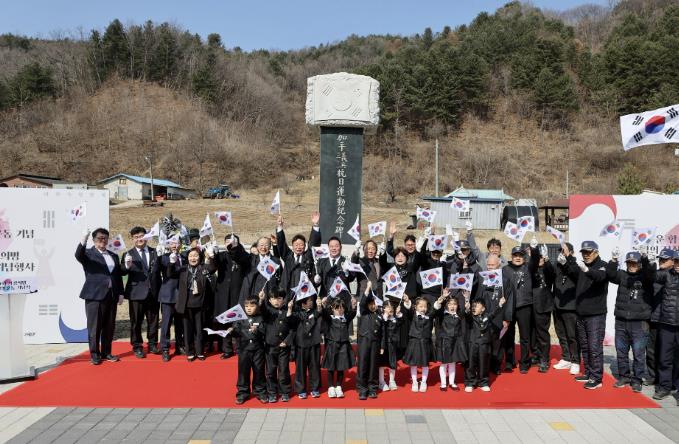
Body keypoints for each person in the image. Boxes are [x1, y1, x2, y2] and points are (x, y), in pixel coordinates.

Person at [75, 228, 124, 365]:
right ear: (94, 239)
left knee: (109, 327)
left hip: (111, 295)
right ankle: (95, 354)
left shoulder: (113, 255)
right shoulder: (88, 253)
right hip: (94, 295)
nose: (103, 240)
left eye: (105, 238)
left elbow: (117, 275)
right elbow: (78, 255)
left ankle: (106, 352)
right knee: (95, 327)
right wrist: (83, 239)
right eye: (100, 238)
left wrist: (121, 292)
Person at [607, 249, 653, 392]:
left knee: (638, 354)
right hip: (621, 321)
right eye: (629, 263)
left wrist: (645, 259)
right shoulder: (622, 275)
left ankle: (637, 380)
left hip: (640, 323)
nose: (631, 265)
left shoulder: (645, 276)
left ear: (639, 264)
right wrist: (614, 260)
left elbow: (651, 274)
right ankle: (624, 376)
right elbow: (610, 274)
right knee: (621, 351)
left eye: (634, 263)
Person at [570, 240, 609, 390]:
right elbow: (571, 272)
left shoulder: (603, 265)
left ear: (596, 252)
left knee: (594, 347)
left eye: (589, 252)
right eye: (584, 252)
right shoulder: (581, 267)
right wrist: (566, 260)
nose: (586, 255)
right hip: (581, 313)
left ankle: (597, 378)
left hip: (596, 315)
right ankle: (588, 372)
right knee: (585, 346)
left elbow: (599, 277)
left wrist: (587, 270)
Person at [120, 226, 160, 358]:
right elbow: (122, 272)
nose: (139, 239)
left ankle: (153, 344)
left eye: (141, 236)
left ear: (146, 237)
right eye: (136, 237)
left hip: (153, 293)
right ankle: (137, 346)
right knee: (136, 321)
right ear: (132, 239)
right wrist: (127, 266)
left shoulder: (155, 252)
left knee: (153, 320)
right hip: (136, 293)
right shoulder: (128, 254)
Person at [472, 254, 514, 375]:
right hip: (485, 316)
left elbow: (510, 300)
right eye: (488, 265)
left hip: (499, 316)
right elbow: (478, 297)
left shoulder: (505, 280)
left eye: (492, 265)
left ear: (498, 265)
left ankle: (496, 365)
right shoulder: (483, 279)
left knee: (497, 343)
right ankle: (484, 365)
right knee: (485, 342)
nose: (490, 267)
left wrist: (507, 318)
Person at [502, 239, 539, 373]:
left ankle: (524, 362)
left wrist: (534, 249)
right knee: (508, 336)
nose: (517, 258)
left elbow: (535, 260)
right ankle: (509, 361)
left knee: (525, 337)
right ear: (511, 257)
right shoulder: (505, 269)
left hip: (524, 306)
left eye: (520, 255)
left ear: (524, 257)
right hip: (509, 307)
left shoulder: (528, 267)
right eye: (515, 255)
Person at [172, 247, 215, 361]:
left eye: (195, 256)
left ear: (199, 257)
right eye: (190, 256)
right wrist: (171, 262)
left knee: (199, 329)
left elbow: (212, 268)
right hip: (186, 304)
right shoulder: (183, 269)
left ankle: (200, 351)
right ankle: (190, 352)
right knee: (188, 330)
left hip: (200, 304)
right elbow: (170, 273)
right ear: (187, 258)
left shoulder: (203, 268)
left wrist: (210, 257)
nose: (193, 258)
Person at [212, 234, 250, 359]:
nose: (230, 244)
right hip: (223, 294)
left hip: (238, 294)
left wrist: (235, 248)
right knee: (224, 321)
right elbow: (212, 266)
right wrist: (212, 254)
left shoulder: (243, 255)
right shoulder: (222, 256)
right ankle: (227, 348)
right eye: (227, 241)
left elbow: (244, 260)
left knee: (238, 321)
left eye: (233, 242)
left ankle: (239, 347)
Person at [226, 296, 267, 404]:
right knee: (243, 372)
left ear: (257, 306)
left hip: (258, 350)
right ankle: (242, 393)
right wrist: (231, 331)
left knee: (259, 371)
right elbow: (237, 331)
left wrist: (257, 331)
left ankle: (260, 392)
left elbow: (264, 332)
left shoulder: (261, 317)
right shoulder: (240, 318)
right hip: (244, 349)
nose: (249, 308)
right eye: (246, 306)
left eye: (252, 306)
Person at [547, 242, 580, 375]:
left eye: (564, 250)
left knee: (572, 336)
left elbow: (575, 274)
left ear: (571, 252)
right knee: (561, 334)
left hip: (570, 307)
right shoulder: (557, 265)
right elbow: (549, 275)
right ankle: (566, 358)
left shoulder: (576, 265)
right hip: (557, 305)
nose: (562, 253)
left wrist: (566, 262)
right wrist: (546, 261)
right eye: (560, 250)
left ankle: (576, 361)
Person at [650, 249, 679, 403]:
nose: (678, 265)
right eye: (676, 262)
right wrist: (646, 261)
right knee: (664, 358)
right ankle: (664, 387)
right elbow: (652, 276)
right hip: (667, 323)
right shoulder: (666, 274)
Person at [275, 212, 321, 300]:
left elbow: (313, 244)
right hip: (288, 294)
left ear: (305, 246)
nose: (298, 247)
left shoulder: (308, 256)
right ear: (292, 246)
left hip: (305, 296)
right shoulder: (288, 256)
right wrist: (280, 226)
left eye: (301, 245)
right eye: (296, 245)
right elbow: (281, 243)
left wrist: (315, 225)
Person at [464, 295, 506, 392]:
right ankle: (470, 382)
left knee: (484, 363)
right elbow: (467, 314)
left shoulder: (487, 316)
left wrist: (500, 304)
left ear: (483, 309)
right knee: (470, 364)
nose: (474, 308)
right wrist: (467, 306)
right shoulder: (471, 317)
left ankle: (483, 382)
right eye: (473, 306)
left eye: (477, 306)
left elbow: (494, 313)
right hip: (473, 343)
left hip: (484, 344)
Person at [646, 248, 676, 386]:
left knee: (668, 353)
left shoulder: (672, 275)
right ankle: (654, 376)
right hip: (654, 318)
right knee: (652, 350)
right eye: (660, 259)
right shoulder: (655, 274)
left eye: (665, 259)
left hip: (669, 320)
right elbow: (649, 276)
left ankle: (670, 380)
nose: (662, 261)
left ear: (673, 261)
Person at [260, 290, 294, 403]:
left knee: (284, 370)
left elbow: (293, 328)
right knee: (270, 371)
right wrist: (261, 300)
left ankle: (285, 392)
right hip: (270, 346)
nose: (276, 301)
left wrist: (287, 341)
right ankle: (272, 392)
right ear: (269, 300)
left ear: (283, 300)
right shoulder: (268, 311)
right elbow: (262, 310)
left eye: (279, 298)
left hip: (284, 347)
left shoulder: (288, 310)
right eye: (274, 298)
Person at [321, 296, 357, 399]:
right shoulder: (330, 318)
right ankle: (331, 387)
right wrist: (323, 304)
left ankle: (338, 386)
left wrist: (354, 305)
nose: (340, 310)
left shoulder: (345, 318)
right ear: (332, 308)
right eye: (337, 308)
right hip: (332, 345)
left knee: (341, 367)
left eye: (342, 308)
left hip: (344, 346)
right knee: (331, 367)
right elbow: (324, 313)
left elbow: (353, 314)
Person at [288, 294, 323, 399]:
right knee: (300, 368)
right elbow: (289, 320)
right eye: (309, 301)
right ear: (303, 304)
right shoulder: (297, 313)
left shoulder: (314, 311)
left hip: (314, 343)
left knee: (315, 366)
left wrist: (319, 305)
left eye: (311, 300)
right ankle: (301, 389)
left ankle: (315, 388)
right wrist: (289, 308)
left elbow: (319, 313)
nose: (311, 302)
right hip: (301, 344)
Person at [434, 288, 468, 391]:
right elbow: (436, 307)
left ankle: (452, 383)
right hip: (445, 342)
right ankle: (443, 384)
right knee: (444, 363)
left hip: (455, 342)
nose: (452, 306)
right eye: (450, 304)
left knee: (453, 363)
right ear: (446, 305)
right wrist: (442, 297)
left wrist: (466, 299)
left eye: (454, 304)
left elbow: (466, 310)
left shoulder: (459, 315)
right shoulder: (442, 314)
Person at [157, 239, 184, 361]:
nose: (175, 245)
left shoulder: (184, 257)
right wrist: (171, 263)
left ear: (181, 244)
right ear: (168, 244)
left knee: (180, 324)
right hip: (168, 295)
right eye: (172, 243)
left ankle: (180, 345)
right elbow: (168, 274)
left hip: (182, 295)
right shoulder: (164, 258)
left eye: (177, 243)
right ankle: (165, 348)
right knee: (166, 324)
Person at [356, 282, 383, 400]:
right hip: (364, 342)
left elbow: (382, 333)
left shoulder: (379, 316)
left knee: (373, 366)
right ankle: (362, 389)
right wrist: (367, 288)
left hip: (375, 343)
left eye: (375, 304)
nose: (373, 306)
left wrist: (382, 346)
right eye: (371, 304)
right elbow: (362, 302)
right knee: (363, 365)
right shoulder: (363, 311)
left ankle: (372, 388)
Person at [402, 295, 435, 393]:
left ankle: (424, 382)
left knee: (425, 363)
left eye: (425, 306)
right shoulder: (412, 314)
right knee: (413, 363)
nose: (423, 308)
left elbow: (435, 308)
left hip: (425, 342)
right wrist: (407, 300)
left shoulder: (429, 315)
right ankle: (415, 382)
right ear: (415, 307)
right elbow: (408, 308)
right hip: (414, 341)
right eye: (420, 306)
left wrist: (440, 300)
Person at [240, 236, 285, 303]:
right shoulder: (252, 259)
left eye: (266, 245)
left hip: (270, 296)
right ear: (257, 247)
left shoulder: (276, 261)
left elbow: (281, 279)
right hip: (254, 295)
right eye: (261, 245)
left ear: (270, 247)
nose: (263, 248)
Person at [532, 244, 555, 373]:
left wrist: (546, 260)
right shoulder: (531, 269)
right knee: (532, 334)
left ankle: (544, 359)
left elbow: (551, 272)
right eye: (538, 257)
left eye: (541, 257)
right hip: (531, 305)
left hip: (543, 305)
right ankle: (536, 355)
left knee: (542, 334)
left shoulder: (547, 269)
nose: (539, 259)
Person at [316, 236, 355, 308]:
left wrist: (347, 273)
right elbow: (317, 283)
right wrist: (317, 280)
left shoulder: (346, 261)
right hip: (325, 299)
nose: (334, 248)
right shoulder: (321, 262)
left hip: (342, 300)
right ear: (328, 247)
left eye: (336, 246)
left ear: (341, 247)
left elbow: (352, 278)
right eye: (331, 246)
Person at [378, 301, 403, 391]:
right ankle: (381, 382)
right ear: (383, 309)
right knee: (381, 363)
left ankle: (392, 381)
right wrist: (385, 316)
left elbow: (401, 323)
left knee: (392, 363)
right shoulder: (381, 318)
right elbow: (381, 326)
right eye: (388, 307)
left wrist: (398, 314)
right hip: (383, 344)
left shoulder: (395, 319)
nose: (390, 309)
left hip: (393, 344)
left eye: (391, 307)